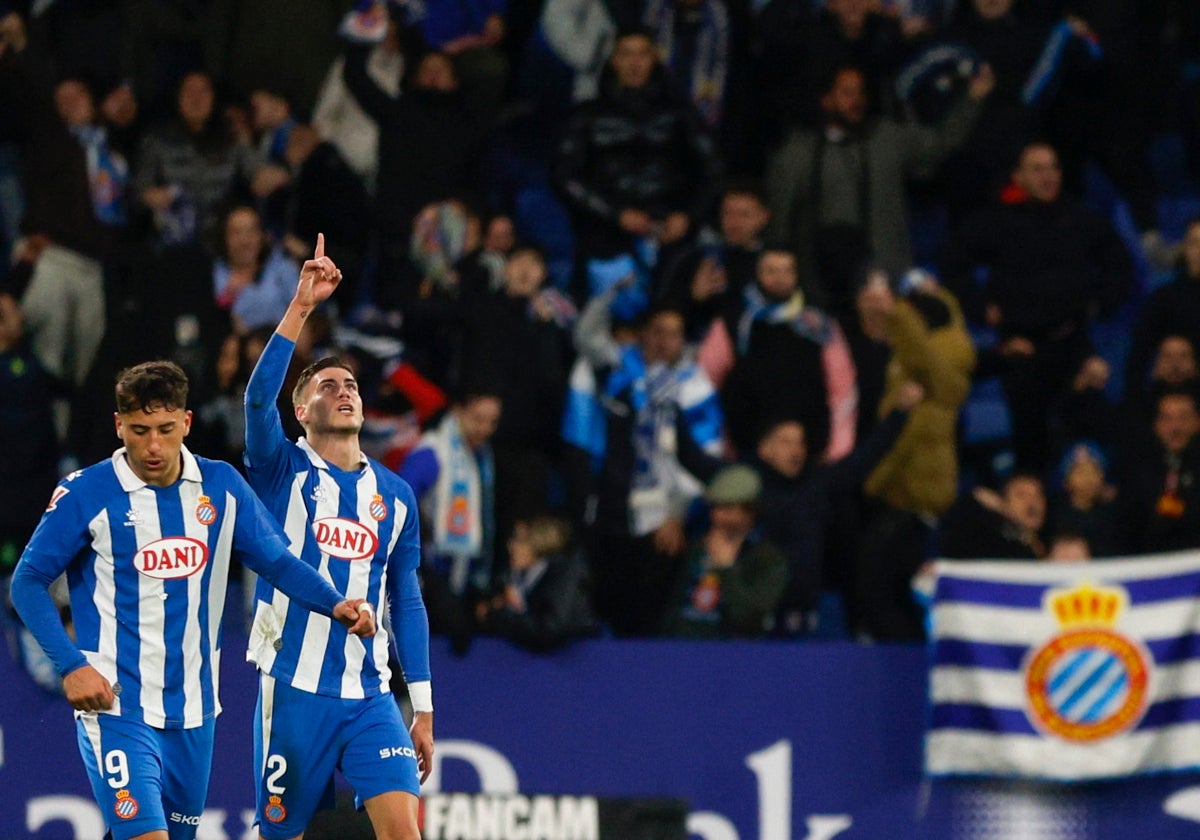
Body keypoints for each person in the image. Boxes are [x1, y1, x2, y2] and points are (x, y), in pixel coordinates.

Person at [9, 358, 375, 840]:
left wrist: (334, 602)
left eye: (165, 429)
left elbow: (278, 562)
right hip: (117, 707)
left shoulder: (220, 486)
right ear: (119, 426)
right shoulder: (86, 492)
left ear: (186, 422)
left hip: (195, 711)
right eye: (139, 431)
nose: (153, 446)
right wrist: (71, 664)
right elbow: (27, 582)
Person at [242, 235, 433, 840]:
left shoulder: (396, 496)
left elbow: (407, 601)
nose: (344, 390)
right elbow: (254, 399)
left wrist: (423, 707)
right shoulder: (282, 471)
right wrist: (301, 307)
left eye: (349, 384)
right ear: (301, 411)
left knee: (405, 832)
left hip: (370, 694)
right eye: (326, 385)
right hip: (293, 690)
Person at [661, 463, 787, 639]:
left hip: (731, 656)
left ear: (750, 511)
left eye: (727, 508)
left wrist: (726, 569)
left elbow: (749, 621)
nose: (717, 516)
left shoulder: (768, 559)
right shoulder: (696, 550)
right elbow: (672, 608)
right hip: (679, 649)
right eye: (715, 507)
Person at [478, 516, 598, 652]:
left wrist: (502, 615)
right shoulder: (508, 575)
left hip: (573, 663)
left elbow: (549, 631)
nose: (510, 546)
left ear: (539, 545)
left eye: (520, 540)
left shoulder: (564, 576)